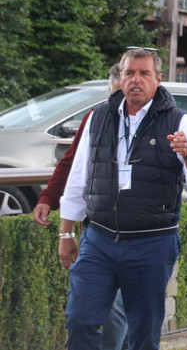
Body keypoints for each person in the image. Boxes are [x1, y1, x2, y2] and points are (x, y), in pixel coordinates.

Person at [58, 47, 187, 350]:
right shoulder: (98, 118)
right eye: (129, 73)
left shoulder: (179, 121)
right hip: (99, 238)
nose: (135, 80)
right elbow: (78, 178)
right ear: (120, 78)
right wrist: (66, 232)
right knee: (80, 319)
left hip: (152, 242)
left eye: (144, 73)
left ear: (158, 79)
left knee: (143, 334)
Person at [33, 64, 130, 350]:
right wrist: (48, 198)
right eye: (114, 94)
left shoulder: (162, 118)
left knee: (121, 313)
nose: (118, 102)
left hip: (143, 233)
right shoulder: (96, 117)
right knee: (99, 312)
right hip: (99, 230)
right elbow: (72, 165)